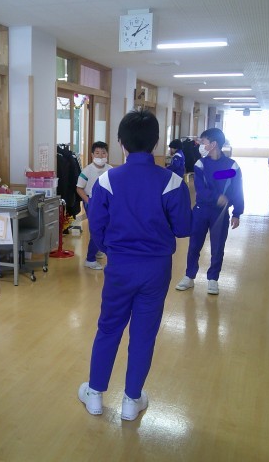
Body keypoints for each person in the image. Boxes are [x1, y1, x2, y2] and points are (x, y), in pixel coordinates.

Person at [78, 109, 192, 421]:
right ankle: (131, 400)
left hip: (120, 266)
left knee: (109, 327)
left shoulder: (106, 180)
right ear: (156, 142)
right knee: (144, 333)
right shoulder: (173, 182)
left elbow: (96, 227)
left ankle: (95, 394)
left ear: (121, 143)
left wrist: (112, 250)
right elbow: (183, 227)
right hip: (156, 269)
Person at [175, 127, 244, 295]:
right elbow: (200, 189)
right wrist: (217, 197)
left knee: (218, 247)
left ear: (213, 144)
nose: (200, 145)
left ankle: (213, 279)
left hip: (220, 214)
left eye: (203, 142)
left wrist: (237, 212)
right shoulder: (200, 164)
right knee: (194, 245)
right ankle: (189, 276)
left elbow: (237, 190)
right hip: (201, 211)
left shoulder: (232, 166)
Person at [76, 141, 113, 270]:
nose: (100, 155)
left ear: (107, 154)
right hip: (91, 202)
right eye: (97, 153)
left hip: (107, 203)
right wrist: (89, 202)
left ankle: (98, 249)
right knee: (97, 230)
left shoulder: (110, 170)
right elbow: (79, 188)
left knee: (106, 228)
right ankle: (90, 259)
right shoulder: (87, 170)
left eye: (103, 153)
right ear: (92, 155)